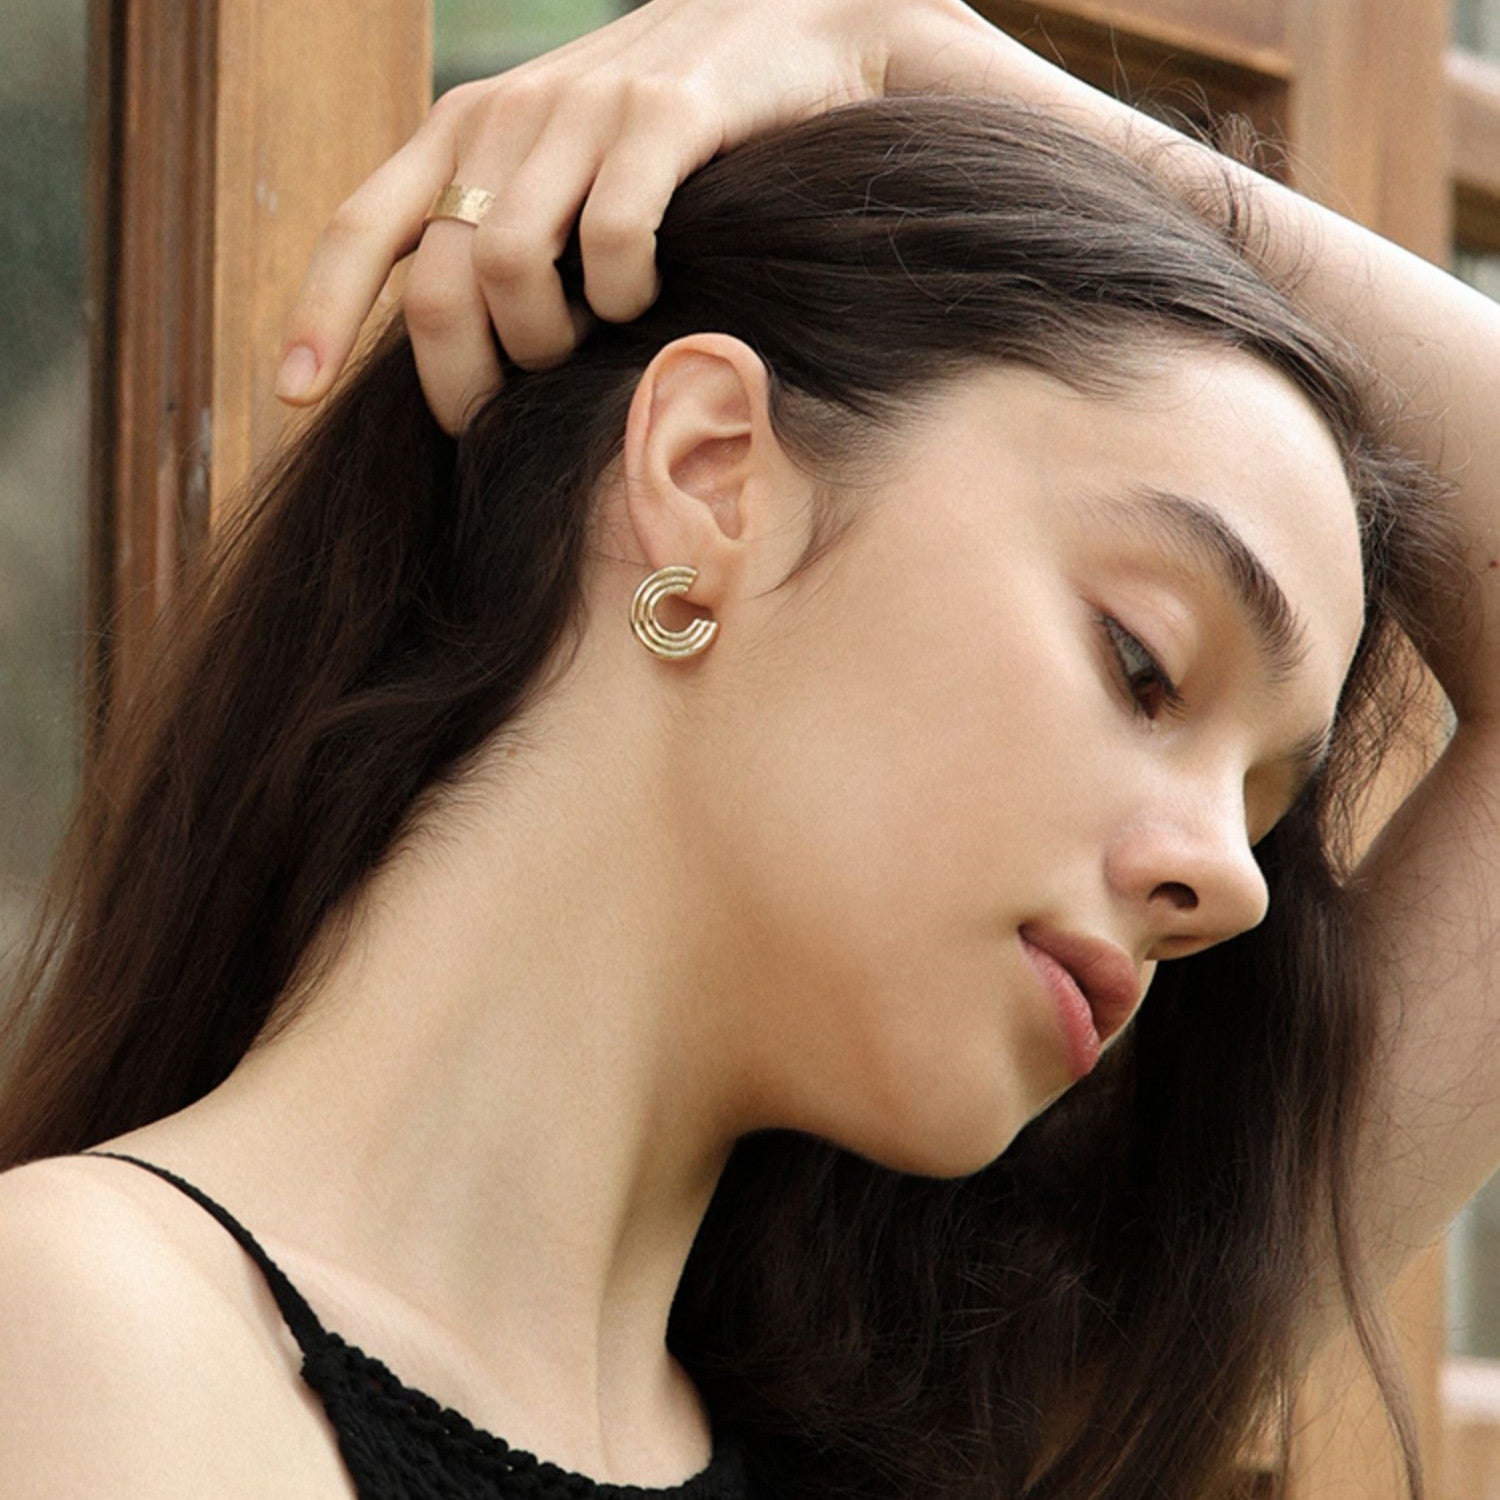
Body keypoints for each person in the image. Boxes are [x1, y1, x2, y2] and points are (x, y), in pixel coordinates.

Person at [0, 2, 1496, 1497]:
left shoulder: (939, 1425)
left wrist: (907, 45)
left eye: (1259, 806)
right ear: (711, 472)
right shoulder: (93, 1349)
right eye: (1143, 665)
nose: (1231, 884)